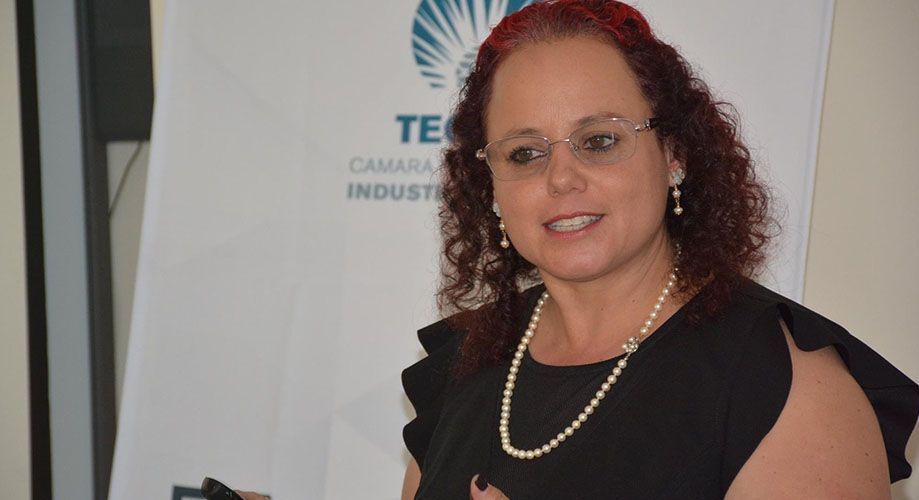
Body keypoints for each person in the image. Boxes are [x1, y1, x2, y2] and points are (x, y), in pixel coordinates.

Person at [399, 1, 919, 499]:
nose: (561, 178)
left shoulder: (781, 380)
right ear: (490, 184)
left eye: (599, 141)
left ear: (674, 154)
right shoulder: (460, 367)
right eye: (525, 152)